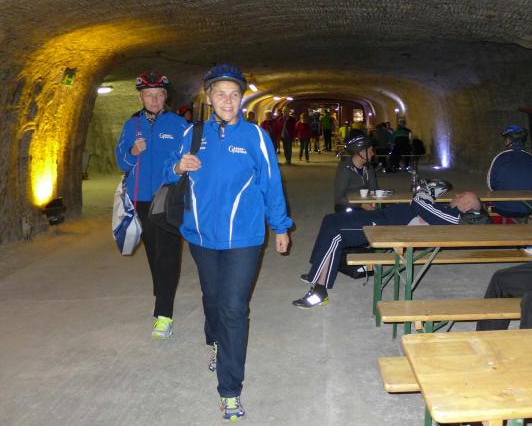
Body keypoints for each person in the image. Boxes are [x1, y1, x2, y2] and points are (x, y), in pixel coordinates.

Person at [166, 64, 293, 422]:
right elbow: (166, 173)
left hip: (244, 237)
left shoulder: (255, 136)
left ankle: (229, 390)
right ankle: (215, 341)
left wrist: (280, 227)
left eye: (234, 95)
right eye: (220, 94)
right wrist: (178, 167)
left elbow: (271, 183)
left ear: (241, 100)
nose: (228, 100)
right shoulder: (192, 133)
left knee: (234, 308)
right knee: (212, 298)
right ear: (209, 98)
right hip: (202, 235)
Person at [292, 191, 482, 308]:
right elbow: (421, 204)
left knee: (336, 232)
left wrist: (425, 193)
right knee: (330, 219)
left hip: (384, 227)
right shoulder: (445, 211)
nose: (455, 196)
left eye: (461, 196)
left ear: (466, 205)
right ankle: (316, 270)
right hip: (383, 217)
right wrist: (425, 197)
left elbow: (419, 201)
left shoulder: (452, 216)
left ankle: (320, 291)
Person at [115, 72, 189, 339]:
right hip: (141, 200)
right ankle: (163, 293)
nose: (154, 100)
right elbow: (121, 162)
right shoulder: (131, 125)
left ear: (165, 97)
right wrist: (132, 153)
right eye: (149, 95)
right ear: (141, 97)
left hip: (169, 199)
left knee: (168, 254)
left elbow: (191, 158)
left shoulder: (179, 124)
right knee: (153, 253)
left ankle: (163, 314)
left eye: (159, 95)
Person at [486, 125, 532, 219]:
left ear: (509, 140)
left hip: (504, 208)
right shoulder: (531, 158)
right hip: (528, 208)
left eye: (506, 139)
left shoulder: (500, 157)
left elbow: (490, 184)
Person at [333, 135, 378, 212]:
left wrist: (373, 202)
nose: (373, 153)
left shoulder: (369, 167)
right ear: (361, 152)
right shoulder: (345, 168)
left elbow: (374, 189)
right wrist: (361, 205)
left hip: (365, 202)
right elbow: (339, 197)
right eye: (370, 151)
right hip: (348, 204)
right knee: (350, 213)